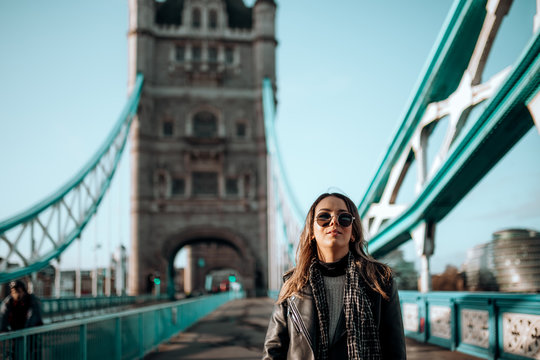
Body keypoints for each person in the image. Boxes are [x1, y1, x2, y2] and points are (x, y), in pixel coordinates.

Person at [263, 192, 406, 359]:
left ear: (353, 233)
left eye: (344, 218)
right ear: (312, 232)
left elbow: (395, 352)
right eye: (324, 217)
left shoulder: (380, 280)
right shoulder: (292, 284)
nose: (333, 222)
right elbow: (273, 350)